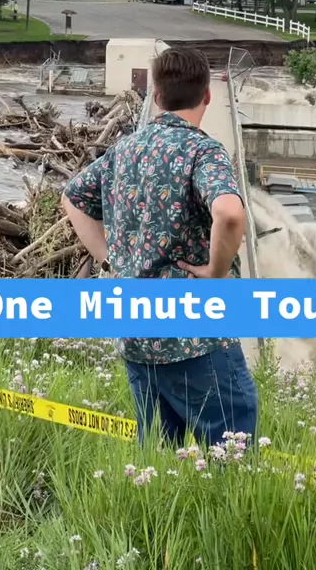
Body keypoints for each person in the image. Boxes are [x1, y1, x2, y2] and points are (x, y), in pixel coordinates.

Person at [62, 47, 258, 447]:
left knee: (157, 452)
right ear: (207, 96)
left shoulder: (125, 150)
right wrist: (215, 273)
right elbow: (231, 214)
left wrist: (109, 259)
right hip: (194, 332)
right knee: (230, 448)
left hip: (136, 329)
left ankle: (156, 511)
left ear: (156, 96)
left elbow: (72, 197)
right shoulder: (203, 151)